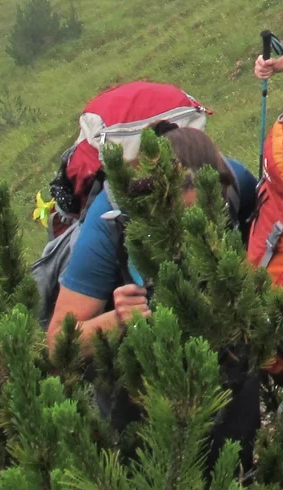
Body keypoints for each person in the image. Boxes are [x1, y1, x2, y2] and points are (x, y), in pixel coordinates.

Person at [45, 124, 258, 347]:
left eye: (206, 214)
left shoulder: (235, 181)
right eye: (178, 218)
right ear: (152, 200)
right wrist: (117, 319)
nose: (192, 231)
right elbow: (57, 341)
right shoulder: (108, 220)